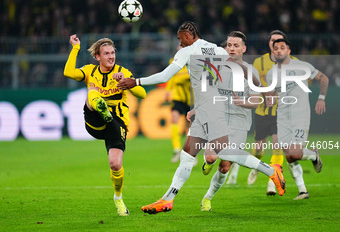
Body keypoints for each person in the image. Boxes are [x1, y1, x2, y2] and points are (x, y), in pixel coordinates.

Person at [117, 21, 286, 214]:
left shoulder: (187, 52)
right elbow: (238, 72)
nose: (179, 44)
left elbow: (165, 77)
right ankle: (167, 199)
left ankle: (271, 171)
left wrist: (135, 81)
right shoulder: (217, 51)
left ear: (189, 35)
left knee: (224, 154)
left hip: (216, 111)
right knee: (188, 153)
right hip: (208, 107)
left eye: (181, 39)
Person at [63, 34, 146, 216]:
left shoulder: (122, 72)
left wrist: (126, 83)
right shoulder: (90, 71)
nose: (111, 56)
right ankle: (102, 109)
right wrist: (75, 48)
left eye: (113, 53)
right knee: (92, 94)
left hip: (117, 122)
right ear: (97, 57)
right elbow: (68, 73)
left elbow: (142, 94)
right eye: (106, 53)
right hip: (94, 120)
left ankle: (118, 198)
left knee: (115, 164)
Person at [198, 31, 261, 211]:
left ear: (243, 49)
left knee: (225, 166)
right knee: (211, 157)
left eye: (235, 46)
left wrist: (244, 102)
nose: (231, 49)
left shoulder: (251, 72)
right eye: (229, 45)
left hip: (239, 124)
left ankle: (207, 198)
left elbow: (256, 101)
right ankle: (208, 162)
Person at [267, 38, 327, 200]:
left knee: (295, 152)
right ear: (272, 53)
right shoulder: (271, 73)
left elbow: (324, 79)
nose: (279, 51)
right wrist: (269, 98)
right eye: (276, 49)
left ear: (288, 51)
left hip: (300, 115)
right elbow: (272, 94)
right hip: (282, 118)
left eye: (282, 48)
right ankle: (303, 191)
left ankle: (313, 155)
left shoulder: (301, 66)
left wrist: (321, 98)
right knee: (289, 156)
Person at [247, 30, 297, 195]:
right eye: (273, 41)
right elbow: (253, 83)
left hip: (282, 112)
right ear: (269, 44)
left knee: (277, 145)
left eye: (279, 41)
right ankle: (256, 166)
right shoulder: (259, 62)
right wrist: (266, 93)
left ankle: (271, 181)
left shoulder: (293, 62)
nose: (276, 44)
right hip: (262, 111)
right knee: (259, 149)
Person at [164, 46, 192, 163]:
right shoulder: (173, 61)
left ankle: (189, 152)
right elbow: (172, 77)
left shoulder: (193, 61)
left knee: (189, 126)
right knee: (174, 119)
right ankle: (176, 149)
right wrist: (167, 90)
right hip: (177, 97)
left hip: (191, 99)